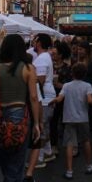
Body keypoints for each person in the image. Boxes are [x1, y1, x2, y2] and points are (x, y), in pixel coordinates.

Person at [0, 34, 40, 182]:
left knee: (6, 163)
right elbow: (33, 97)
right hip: (20, 116)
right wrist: (37, 124)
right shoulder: (28, 68)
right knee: (16, 165)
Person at [49, 62, 92, 180]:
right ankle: (89, 166)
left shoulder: (66, 86)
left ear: (72, 73)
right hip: (83, 118)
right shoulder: (87, 85)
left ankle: (69, 171)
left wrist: (54, 101)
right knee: (86, 141)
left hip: (69, 118)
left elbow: (60, 98)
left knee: (69, 143)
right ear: (84, 74)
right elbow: (90, 100)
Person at [32, 33, 57, 167]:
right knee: (45, 125)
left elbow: (39, 80)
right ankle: (48, 152)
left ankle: (39, 158)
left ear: (39, 42)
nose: (33, 43)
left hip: (45, 97)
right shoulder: (45, 57)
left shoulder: (42, 58)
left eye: (35, 40)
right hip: (47, 96)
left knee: (41, 126)